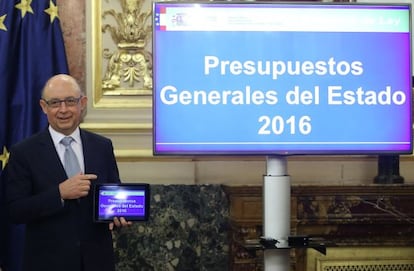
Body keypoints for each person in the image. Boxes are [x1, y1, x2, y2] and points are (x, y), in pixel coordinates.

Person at [4, 74, 131, 271]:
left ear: (83, 103)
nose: (63, 110)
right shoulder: (24, 152)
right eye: (55, 103)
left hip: (97, 262)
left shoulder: (102, 146)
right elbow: (14, 211)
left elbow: (112, 193)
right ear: (44, 107)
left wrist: (118, 214)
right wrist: (59, 194)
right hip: (47, 263)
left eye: (70, 101)